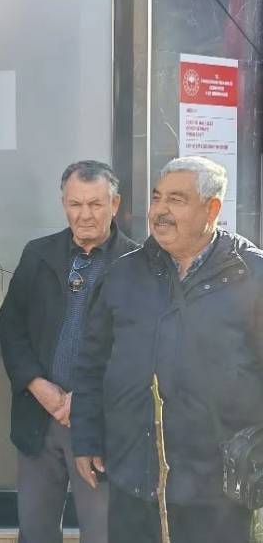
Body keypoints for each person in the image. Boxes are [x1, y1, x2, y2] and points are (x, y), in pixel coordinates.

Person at [72, 156, 263, 543]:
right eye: (157, 198)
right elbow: (92, 363)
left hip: (217, 490)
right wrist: (87, 438)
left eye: (176, 199)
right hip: (134, 476)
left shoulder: (250, 275)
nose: (160, 210)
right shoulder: (124, 273)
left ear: (211, 209)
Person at [0, 161, 137, 543]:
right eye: (75, 204)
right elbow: (11, 325)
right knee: (36, 531)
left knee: (104, 532)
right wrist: (36, 384)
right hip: (39, 416)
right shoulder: (39, 254)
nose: (85, 214)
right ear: (63, 204)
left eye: (95, 204)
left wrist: (88, 397)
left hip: (101, 423)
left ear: (115, 204)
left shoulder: (136, 264)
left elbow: (138, 348)